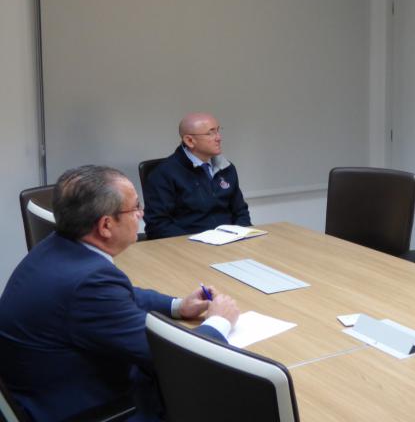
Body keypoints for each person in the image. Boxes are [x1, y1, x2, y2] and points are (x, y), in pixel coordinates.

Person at [0, 165, 241, 421]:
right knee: (227, 397)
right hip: (90, 408)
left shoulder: (57, 245)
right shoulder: (90, 283)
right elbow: (174, 361)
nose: (142, 214)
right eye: (136, 207)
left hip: (43, 387)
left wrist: (177, 306)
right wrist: (219, 322)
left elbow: (123, 297)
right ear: (105, 225)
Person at [144, 113, 251, 239]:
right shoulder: (163, 173)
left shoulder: (226, 168)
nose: (218, 138)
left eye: (218, 130)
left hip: (229, 241)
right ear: (189, 140)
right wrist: (194, 242)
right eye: (210, 133)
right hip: (187, 245)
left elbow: (240, 211)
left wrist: (241, 235)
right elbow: (158, 224)